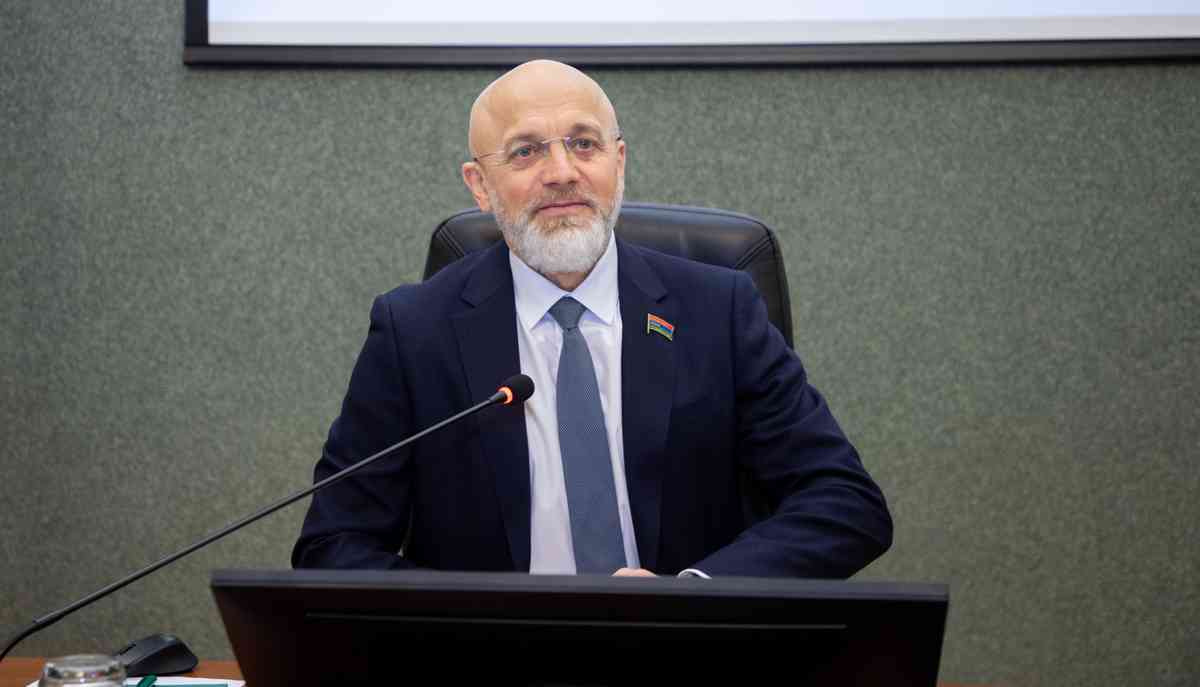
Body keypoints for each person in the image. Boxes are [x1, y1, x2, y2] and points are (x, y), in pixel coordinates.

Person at [292, 60, 892, 578]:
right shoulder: (415, 331)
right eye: (526, 151)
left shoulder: (719, 311)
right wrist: (479, 621)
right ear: (480, 184)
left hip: (688, 649)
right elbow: (333, 543)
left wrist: (694, 594)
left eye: (584, 144)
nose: (562, 172)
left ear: (618, 161)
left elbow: (844, 502)